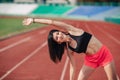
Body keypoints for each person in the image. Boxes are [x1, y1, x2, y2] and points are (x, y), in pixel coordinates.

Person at [23, 18, 119, 80]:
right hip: (91, 60)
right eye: (57, 38)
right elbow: (72, 67)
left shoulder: (71, 30)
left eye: (58, 33)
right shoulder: (69, 49)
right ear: (59, 42)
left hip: (104, 54)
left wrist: (34, 20)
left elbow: (51, 22)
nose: (59, 36)